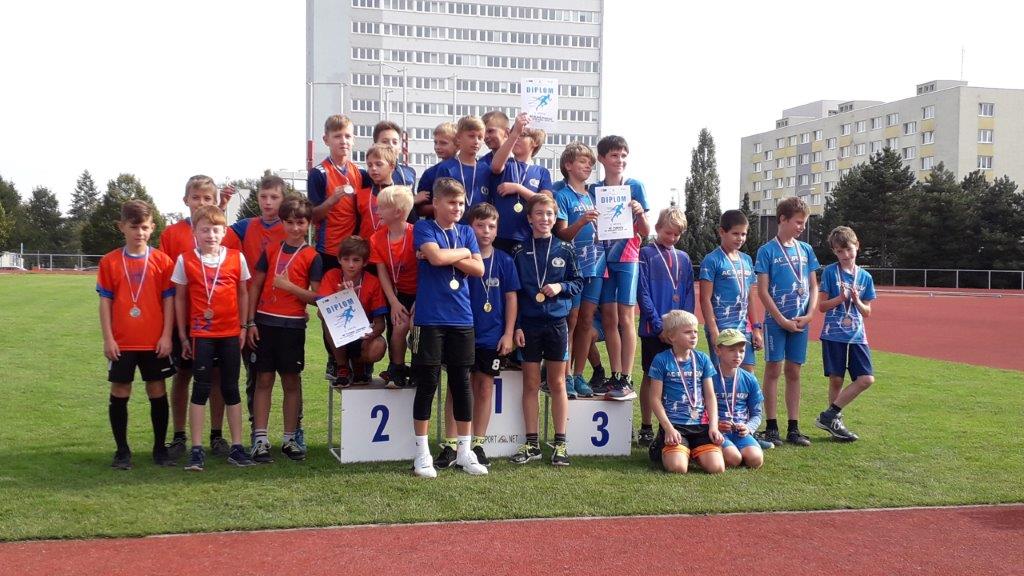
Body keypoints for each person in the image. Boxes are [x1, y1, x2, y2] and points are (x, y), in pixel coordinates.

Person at [409, 177, 487, 477]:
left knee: (461, 384)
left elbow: (478, 269)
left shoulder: (466, 231)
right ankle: (422, 454)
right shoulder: (424, 228)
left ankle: (464, 452)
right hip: (430, 319)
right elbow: (436, 256)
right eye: (452, 202)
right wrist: (463, 253)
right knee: (428, 384)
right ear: (436, 203)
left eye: (461, 203)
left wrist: (450, 256)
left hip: (462, 318)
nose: (457, 208)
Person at [436, 203, 520, 468]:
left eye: (491, 226)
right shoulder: (459, 259)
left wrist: (508, 333)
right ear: (469, 228)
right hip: (460, 332)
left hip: (492, 336)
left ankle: (478, 444)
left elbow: (511, 298)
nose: (485, 231)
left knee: (484, 387)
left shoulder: (505, 261)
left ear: (497, 230)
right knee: (456, 387)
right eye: (480, 225)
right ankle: (451, 444)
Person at [171, 205, 254, 471]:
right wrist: (183, 335)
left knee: (230, 388)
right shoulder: (185, 260)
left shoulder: (236, 257)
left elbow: (243, 293)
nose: (210, 235)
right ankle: (196, 449)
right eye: (204, 230)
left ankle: (237, 446)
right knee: (201, 388)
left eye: (216, 230)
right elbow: (180, 299)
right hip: (201, 334)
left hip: (230, 333)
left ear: (224, 232)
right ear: (194, 232)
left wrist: (243, 326)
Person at [97, 200, 177, 469]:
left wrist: (166, 336)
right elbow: (105, 302)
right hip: (122, 342)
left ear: (152, 227)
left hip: (155, 341)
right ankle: (122, 451)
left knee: (157, 389)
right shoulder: (109, 262)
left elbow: (168, 301)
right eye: (133, 227)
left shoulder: (162, 262)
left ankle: (160, 449)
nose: (139, 233)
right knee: (120, 389)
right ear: (122, 227)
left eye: (144, 227)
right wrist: (108, 338)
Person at [245, 198, 322, 463]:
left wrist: (289, 287)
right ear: (282, 222)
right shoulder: (271, 250)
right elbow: (255, 286)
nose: (294, 228)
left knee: (291, 381)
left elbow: (317, 298)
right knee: (263, 380)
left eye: (300, 222)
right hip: (265, 324)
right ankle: (260, 440)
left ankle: (290, 439)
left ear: (308, 223)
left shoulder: (312, 256)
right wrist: (250, 322)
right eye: (289, 222)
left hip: (292, 326)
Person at [159, 175, 229, 460]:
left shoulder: (221, 231)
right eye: (196, 197)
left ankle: (216, 434)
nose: (201, 202)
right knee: (182, 376)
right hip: (185, 321)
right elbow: (167, 284)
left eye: (207, 198)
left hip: (217, 324)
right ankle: (179, 435)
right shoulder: (172, 234)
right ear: (185, 200)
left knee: (216, 378)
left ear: (216, 201)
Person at [510, 194, 583, 466]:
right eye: (539, 213)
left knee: (558, 383)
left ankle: (560, 444)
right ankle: (532, 444)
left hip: (556, 324)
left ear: (555, 218)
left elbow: (578, 282)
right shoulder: (519, 250)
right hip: (529, 325)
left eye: (550, 214)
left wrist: (560, 287)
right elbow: (514, 293)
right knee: (530, 384)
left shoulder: (565, 249)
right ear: (530, 218)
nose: (545, 218)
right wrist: (517, 325)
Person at [221, 174, 289, 445]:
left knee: (289, 376)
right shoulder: (245, 226)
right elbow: (215, 231)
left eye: (274, 197)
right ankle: (256, 431)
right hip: (250, 310)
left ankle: (294, 431)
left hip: (282, 312)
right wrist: (222, 205)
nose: (268, 202)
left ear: (283, 199)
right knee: (255, 375)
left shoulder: (290, 227)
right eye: (263, 197)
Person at [753, 197, 820, 447]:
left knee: (794, 371)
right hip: (776, 322)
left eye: (804, 223)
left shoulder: (806, 250)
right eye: (798, 222)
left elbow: (813, 286)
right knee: (773, 370)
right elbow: (762, 291)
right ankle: (771, 426)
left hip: (801, 321)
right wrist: (780, 319)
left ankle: (794, 427)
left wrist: (810, 314)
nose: (802, 227)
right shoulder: (767, 251)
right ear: (783, 219)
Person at [590, 135, 650, 399]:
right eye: (614, 155)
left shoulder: (635, 186)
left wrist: (639, 212)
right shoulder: (594, 189)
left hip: (627, 257)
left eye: (623, 155)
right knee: (609, 318)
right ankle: (615, 375)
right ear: (602, 158)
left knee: (626, 317)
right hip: (602, 257)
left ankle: (626, 376)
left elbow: (645, 231)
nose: (620, 160)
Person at [309, 115, 367, 384]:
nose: (343, 141)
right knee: (329, 309)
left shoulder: (360, 173)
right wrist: (333, 199)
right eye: (337, 136)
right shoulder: (319, 173)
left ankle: (359, 362)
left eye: (347, 136)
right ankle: (337, 360)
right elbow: (314, 216)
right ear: (326, 140)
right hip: (330, 252)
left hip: (355, 251)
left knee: (357, 306)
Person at [636, 207, 694, 446]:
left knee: (675, 378)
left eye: (677, 234)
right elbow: (643, 292)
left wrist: (684, 325)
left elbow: (688, 292)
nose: (672, 238)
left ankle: (669, 426)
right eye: (668, 233)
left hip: (677, 333)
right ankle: (646, 426)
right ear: (658, 228)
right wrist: (660, 326)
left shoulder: (684, 258)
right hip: (654, 330)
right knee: (651, 377)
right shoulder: (645, 254)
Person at [815, 226, 876, 442]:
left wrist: (857, 300)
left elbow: (867, 311)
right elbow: (822, 306)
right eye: (839, 251)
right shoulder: (830, 272)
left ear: (857, 246)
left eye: (848, 249)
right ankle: (835, 424)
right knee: (836, 379)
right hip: (833, 334)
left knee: (866, 379)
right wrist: (840, 298)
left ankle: (829, 415)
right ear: (834, 251)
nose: (845, 255)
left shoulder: (865, 277)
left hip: (857, 335)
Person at [647, 310, 726, 474]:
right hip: (675, 425)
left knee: (717, 467)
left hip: (701, 425)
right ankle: (663, 443)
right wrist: (668, 428)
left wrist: (713, 426)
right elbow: (654, 398)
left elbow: (710, 396)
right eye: (688, 332)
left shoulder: (703, 359)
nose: (694, 336)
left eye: (695, 331)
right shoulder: (661, 360)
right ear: (672, 337)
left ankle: (689, 450)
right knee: (678, 468)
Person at [553, 141, 601, 399]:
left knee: (586, 321)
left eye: (591, 163)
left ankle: (580, 373)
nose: (588, 166)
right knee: (570, 320)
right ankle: (566, 374)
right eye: (583, 161)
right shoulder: (562, 195)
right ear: (568, 165)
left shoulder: (594, 195)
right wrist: (581, 221)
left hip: (596, 264)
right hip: (573, 267)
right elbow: (561, 234)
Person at [317, 235, 388, 388]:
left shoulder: (373, 282)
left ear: (365, 262)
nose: (350, 265)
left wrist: (371, 334)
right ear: (339, 260)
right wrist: (342, 296)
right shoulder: (331, 276)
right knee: (328, 321)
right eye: (346, 259)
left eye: (356, 260)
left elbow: (380, 324)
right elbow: (321, 314)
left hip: (362, 335)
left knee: (378, 346)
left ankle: (359, 365)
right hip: (338, 337)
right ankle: (342, 367)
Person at [699, 210, 762, 373]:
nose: (740, 238)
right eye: (735, 233)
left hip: (744, 328)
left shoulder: (746, 260)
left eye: (743, 234)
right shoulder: (712, 260)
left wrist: (756, 328)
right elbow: (705, 299)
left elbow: (750, 298)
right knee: (723, 376)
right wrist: (714, 331)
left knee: (748, 373)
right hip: (722, 329)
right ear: (722, 232)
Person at [369, 185, 418, 388]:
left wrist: (420, 299)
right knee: (398, 327)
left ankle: (418, 368)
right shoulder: (376, 238)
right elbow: (382, 273)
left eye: (381, 207)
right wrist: (394, 302)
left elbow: (428, 271)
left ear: (397, 212)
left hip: (422, 292)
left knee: (417, 327)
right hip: (397, 294)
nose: (377, 211)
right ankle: (396, 368)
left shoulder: (417, 234)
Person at [489, 112, 553, 254]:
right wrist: (515, 133)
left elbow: (546, 202)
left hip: (527, 236)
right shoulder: (506, 163)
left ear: (535, 142)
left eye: (522, 135)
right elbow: (495, 166)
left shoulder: (542, 172)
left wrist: (518, 188)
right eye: (515, 134)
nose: (517, 137)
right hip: (500, 236)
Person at [417, 116, 490, 223]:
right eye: (471, 136)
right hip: (452, 228)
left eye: (480, 137)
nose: (476, 141)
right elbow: (438, 207)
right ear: (459, 138)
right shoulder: (446, 168)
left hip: (478, 229)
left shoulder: (485, 169)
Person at [712, 329, 765, 469]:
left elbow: (757, 413)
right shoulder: (709, 378)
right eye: (732, 350)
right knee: (733, 459)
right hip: (717, 431)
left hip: (740, 432)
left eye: (741, 351)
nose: (737, 355)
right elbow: (700, 410)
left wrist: (748, 427)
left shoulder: (750, 379)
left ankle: (736, 449)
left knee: (756, 459)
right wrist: (715, 424)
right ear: (718, 351)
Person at [414, 121, 457, 219]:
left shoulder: (470, 169)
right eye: (435, 142)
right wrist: (445, 207)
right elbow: (420, 209)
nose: (437, 147)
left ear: (457, 145)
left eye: (443, 143)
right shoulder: (430, 173)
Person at [356, 143, 397, 240]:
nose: (373, 168)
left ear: (392, 166)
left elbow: (411, 225)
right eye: (369, 165)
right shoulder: (360, 194)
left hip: (391, 247)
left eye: (379, 164)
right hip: (365, 247)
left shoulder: (401, 195)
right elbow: (356, 224)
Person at [373, 120, 416, 188]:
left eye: (395, 142)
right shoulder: (366, 176)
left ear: (399, 147)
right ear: (374, 146)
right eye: (385, 142)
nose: (391, 146)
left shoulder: (409, 173)